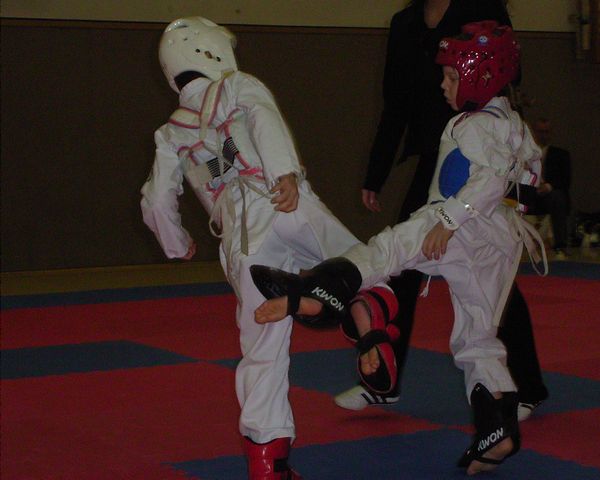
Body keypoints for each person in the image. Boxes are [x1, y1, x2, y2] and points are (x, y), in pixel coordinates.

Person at [251, 22, 546, 474]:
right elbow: (529, 180)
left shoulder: (476, 125)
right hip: (501, 238)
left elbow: (487, 181)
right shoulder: (515, 125)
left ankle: (322, 290)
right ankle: (496, 428)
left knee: (390, 248)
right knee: (477, 335)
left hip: (464, 224)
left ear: (480, 78)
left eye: (452, 76)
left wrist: (449, 220)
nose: (443, 84)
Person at [140, 17, 401, 480]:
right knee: (364, 262)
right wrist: (286, 174)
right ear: (211, 51)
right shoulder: (239, 85)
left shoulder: (171, 134)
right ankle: (369, 321)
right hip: (283, 202)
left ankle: (268, 462)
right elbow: (264, 118)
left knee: (262, 349)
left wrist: (177, 244)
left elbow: (157, 200)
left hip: (242, 239)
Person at [336, 0, 549, 421]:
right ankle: (383, 381)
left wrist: (512, 150)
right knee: (402, 263)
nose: (442, 82)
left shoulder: (482, 6)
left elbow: (508, 74)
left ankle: (524, 387)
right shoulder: (406, 22)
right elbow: (395, 103)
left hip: (481, 154)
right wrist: (376, 173)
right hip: (439, 160)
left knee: (493, 278)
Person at [529, 117, 572, 258]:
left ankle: (560, 244)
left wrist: (547, 187)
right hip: (527, 193)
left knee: (558, 197)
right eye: (540, 131)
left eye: (546, 132)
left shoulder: (561, 154)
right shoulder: (526, 153)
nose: (543, 135)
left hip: (549, 195)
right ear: (534, 132)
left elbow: (565, 180)